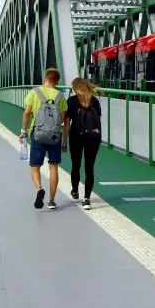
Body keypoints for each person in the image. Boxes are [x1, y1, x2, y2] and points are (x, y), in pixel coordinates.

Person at [20, 68, 67, 210]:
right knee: (53, 167)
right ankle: (51, 201)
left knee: (35, 166)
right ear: (57, 81)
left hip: (37, 134)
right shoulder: (60, 95)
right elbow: (63, 118)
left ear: (45, 78)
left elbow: (27, 112)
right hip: (55, 135)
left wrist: (23, 131)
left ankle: (39, 188)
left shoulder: (35, 92)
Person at [63, 77, 102, 210]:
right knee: (89, 168)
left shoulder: (72, 101)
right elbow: (98, 120)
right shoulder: (95, 101)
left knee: (76, 164)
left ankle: (75, 191)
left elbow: (67, 123)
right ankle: (87, 199)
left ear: (75, 88)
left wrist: (64, 141)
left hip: (76, 135)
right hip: (93, 137)